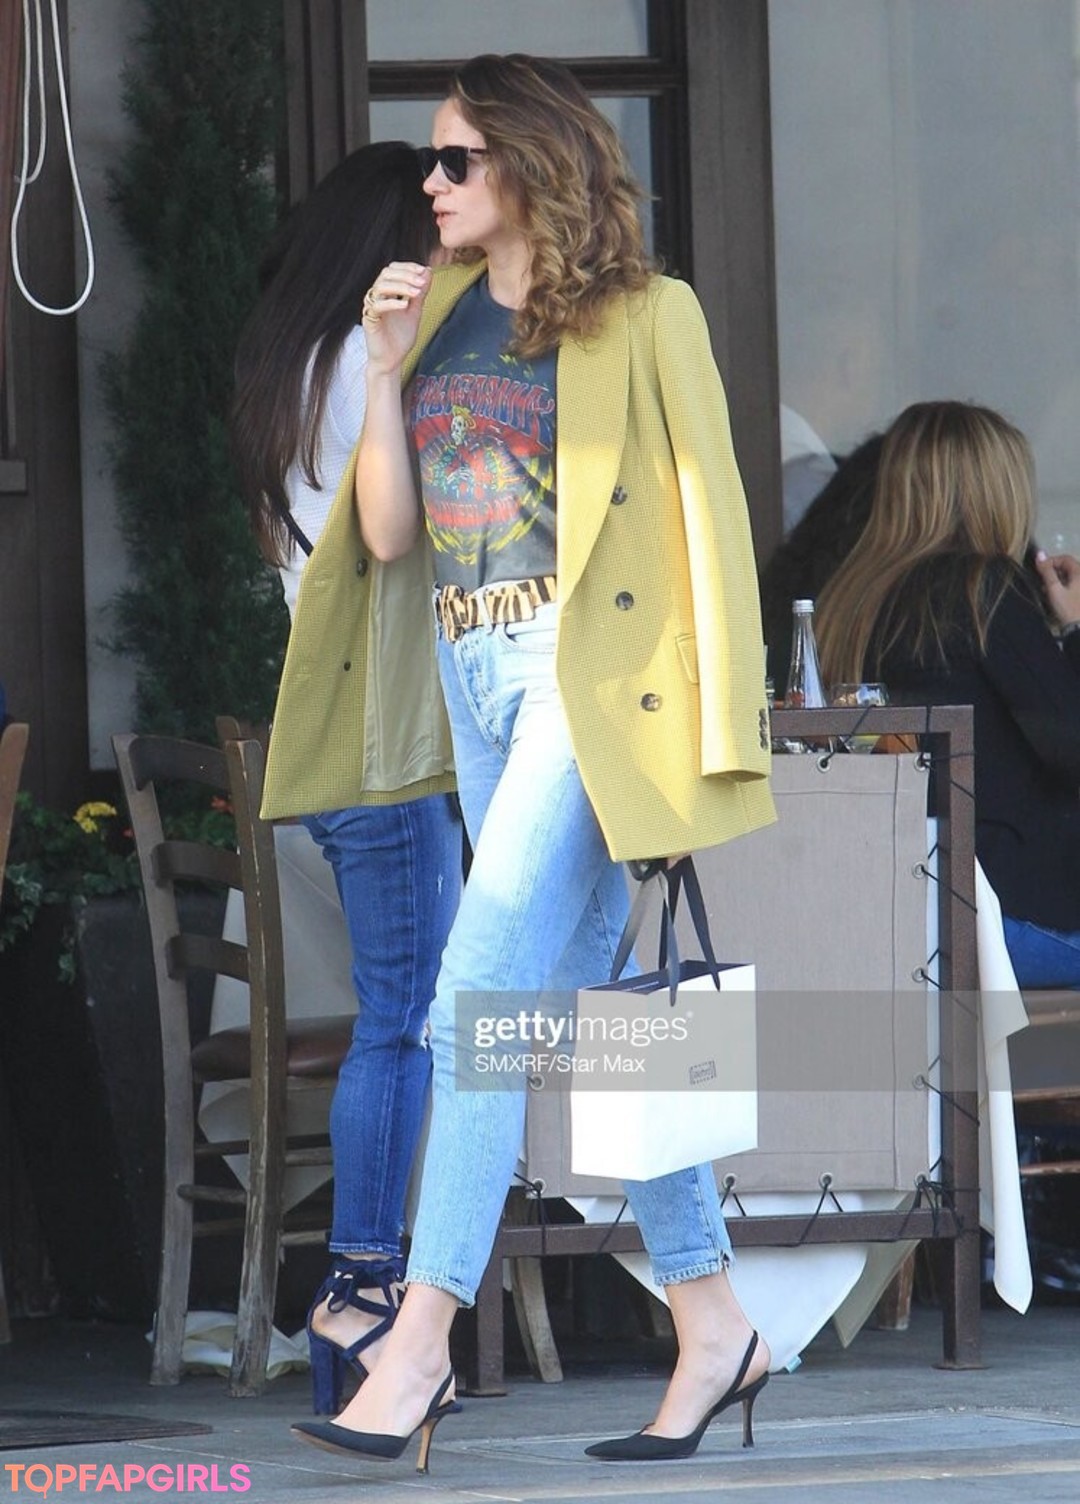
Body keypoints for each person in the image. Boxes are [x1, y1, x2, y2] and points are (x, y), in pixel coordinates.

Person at [269, 53, 776, 1471]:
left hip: (585, 683)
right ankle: (716, 1321)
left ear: (531, 163)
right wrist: (383, 370)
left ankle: (416, 1340)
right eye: (431, 161)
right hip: (473, 682)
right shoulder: (430, 315)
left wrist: (712, 742)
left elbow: (711, 523)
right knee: (605, 1013)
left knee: (476, 999)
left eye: (454, 161)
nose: (429, 185)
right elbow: (387, 535)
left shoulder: (648, 315)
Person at [229, 142, 463, 1415]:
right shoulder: (367, 373)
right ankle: (365, 1292)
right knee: (407, 1020)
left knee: (404, 1015)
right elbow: (404, 538)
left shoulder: (296, 366)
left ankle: (370, 1301)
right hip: (384, 738)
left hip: (335, 732)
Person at [815, 400, 1080, 988]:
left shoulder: (852, 601)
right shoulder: (983, 588)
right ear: (996, 493)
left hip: (904, 911)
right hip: (1006, 917)